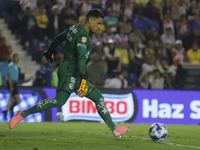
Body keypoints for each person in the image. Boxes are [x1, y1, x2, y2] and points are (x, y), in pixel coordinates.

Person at [9, 9, 130, 138]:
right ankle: (23, 114)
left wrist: (50, 51)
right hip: (70, 73)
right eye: (98, 23)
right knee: (59, 101)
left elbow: (57, 38)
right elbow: (81, 59)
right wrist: (83, 79)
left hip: (74, 73)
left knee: (99, 97)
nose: (99, 26)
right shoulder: (83, 38)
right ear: (90, 20)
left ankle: (115, 128)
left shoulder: (74, 28)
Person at [3, 54, 21, 119]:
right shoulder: (11, 65)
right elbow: (9, 76)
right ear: (13, 58)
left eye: (18, 58)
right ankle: (6, 111)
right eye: (16, 58)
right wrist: (11, 86)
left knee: (13, 101)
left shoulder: (15, 66)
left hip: (14, 83)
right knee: (18, 100)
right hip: (12, 83)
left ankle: (11, 116)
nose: (18, 59)